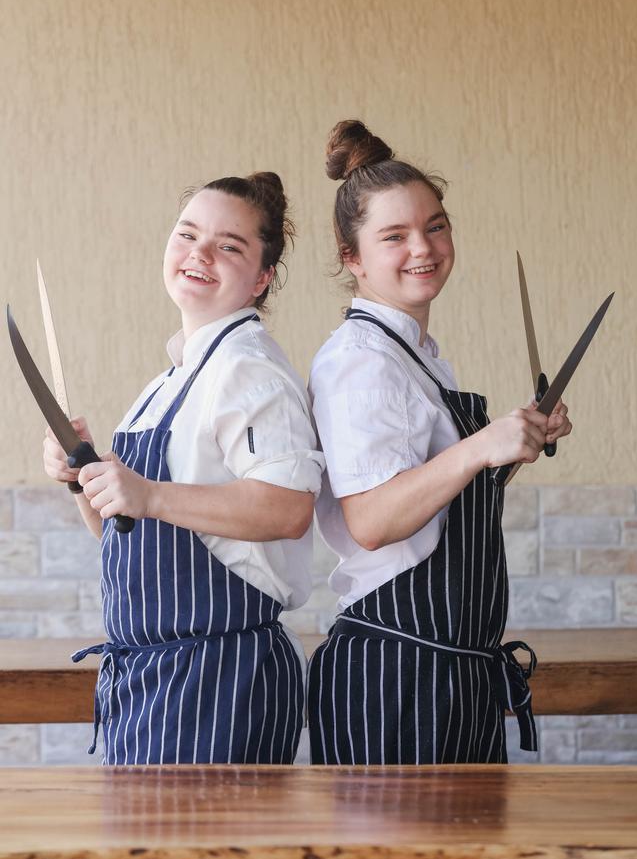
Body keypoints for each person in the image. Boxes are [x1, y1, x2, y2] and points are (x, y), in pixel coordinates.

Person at [307, 121, 572, 764]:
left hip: (449, 670)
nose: (423, 247)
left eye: (436, 225)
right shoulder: (361, 361)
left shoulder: (416, 353)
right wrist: (481, 447)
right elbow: (371, 520)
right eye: (393, 236)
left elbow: (433, 500)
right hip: (397, 675)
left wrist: (513, 444)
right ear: (353, 257)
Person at [43, 172, 324, 765]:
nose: (199, 254)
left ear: (262, 278)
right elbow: (124, 535)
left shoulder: (250, 370)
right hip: (149, 675)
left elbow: (289, 507)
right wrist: (83, 479)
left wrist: (148, 493)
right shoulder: (168, 381)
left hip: (219, 677)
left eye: (229, 246)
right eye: (187, 234)